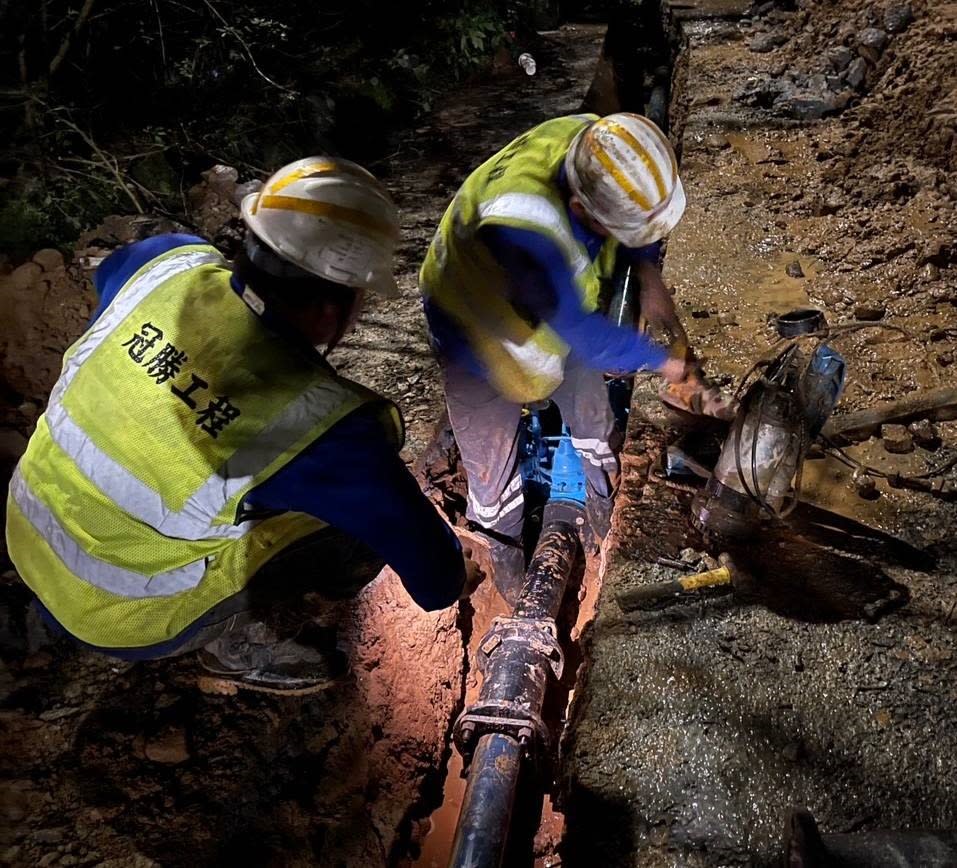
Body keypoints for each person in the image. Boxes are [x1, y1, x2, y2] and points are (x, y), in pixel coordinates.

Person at [5, 157, 481, 694]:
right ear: (334, 308)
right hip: (119, 612)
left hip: (24, 527)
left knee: (257, 484)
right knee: (350, 533)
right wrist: (455, 570)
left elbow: (111, 270)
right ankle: (235, 644)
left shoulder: (164, 263)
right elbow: (437, 580)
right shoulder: (322, 430)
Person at [419, 113, 694, 601]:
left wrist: (650, 279)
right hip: (477, 323)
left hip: (559, 305)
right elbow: (580, 332)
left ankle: (602, 529)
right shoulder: (524, 228)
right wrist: (669, 363)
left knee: (595, 426)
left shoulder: (601, 148)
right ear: (580, 208)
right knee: (490, 472)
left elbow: (638, 220)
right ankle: (505, 570)